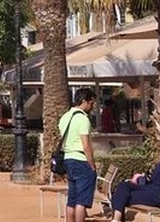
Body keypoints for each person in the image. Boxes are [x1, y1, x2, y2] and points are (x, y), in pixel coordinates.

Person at [109, 131, 160, 222]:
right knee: (123, 185)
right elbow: (154, 176)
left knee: (119, 196)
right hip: (149, 189)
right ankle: (116, 220)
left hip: (159, 195)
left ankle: (116, 219)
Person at [59, 88, 97, 222]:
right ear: (84, 101)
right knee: (82, 201)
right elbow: (86, 145)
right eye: (91, 103)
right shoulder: (83, 119)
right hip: (81, 160)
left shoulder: (65, 117)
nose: (92, 107)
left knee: (72, 199)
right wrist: (92, 165)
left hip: (68, 159)